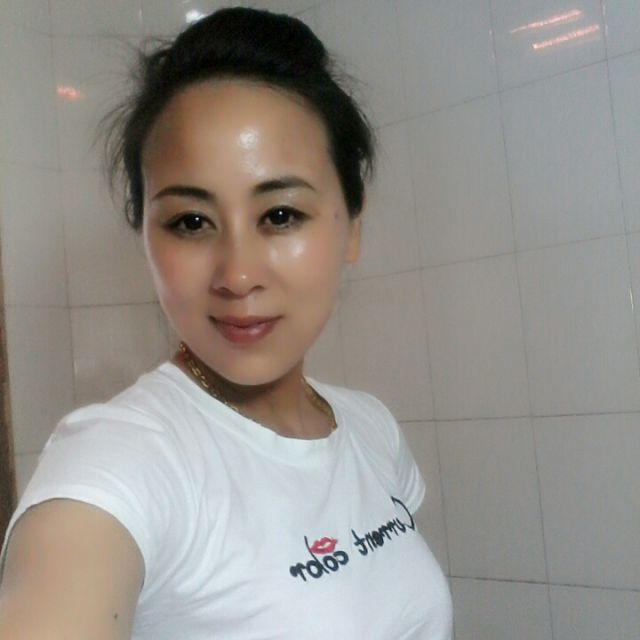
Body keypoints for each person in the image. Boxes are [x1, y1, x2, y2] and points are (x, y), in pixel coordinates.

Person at [0, 7, 452, 639]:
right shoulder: (122, 460)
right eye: (191, 222)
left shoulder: (371, 430)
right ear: (146, 238)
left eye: (281, 215)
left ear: (352, 225)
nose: (237, 275)